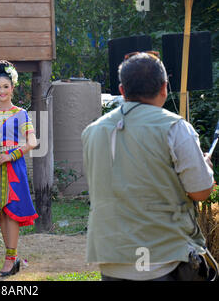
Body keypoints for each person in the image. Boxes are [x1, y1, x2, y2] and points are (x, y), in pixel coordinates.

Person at [81, 52, 215, 281]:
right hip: (163, 259)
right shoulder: (175, 127)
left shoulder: (92, 131)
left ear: (122, 91)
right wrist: (206, 168)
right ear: (164, 88)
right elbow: (201, 191)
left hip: (110, 256)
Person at [0, 60, 38, 277]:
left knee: (11, 211)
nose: (2, 91)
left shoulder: (21, 114)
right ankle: (11, 257)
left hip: (13, 167)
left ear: (12, 87)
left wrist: (9, 156)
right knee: (1, 211)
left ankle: (11, 259)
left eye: (6, 86)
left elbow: (32, 142)